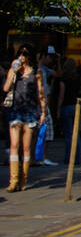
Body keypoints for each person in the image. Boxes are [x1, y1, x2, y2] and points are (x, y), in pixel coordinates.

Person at [4, 44, 47, 191]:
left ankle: (24, 179)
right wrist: (13, 72)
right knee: (14, 145)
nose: (22, 56)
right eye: (20, 53)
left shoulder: (36, 72)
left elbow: (41, 93)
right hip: (16, 110)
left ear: (30, 56)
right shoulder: (13, 69)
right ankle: (13, 180)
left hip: (30, 111)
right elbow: (5, 88)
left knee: (26, 147)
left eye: (25, 53)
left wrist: (43, 112)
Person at [57, 57, 81, 166]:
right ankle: (76, 157)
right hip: (76, 105)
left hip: (66, 106)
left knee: (68, 134)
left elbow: (61, 96)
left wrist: (58, 110)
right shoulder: (78, 78)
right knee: (76, 134)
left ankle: (69, 157)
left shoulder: (64, 79)